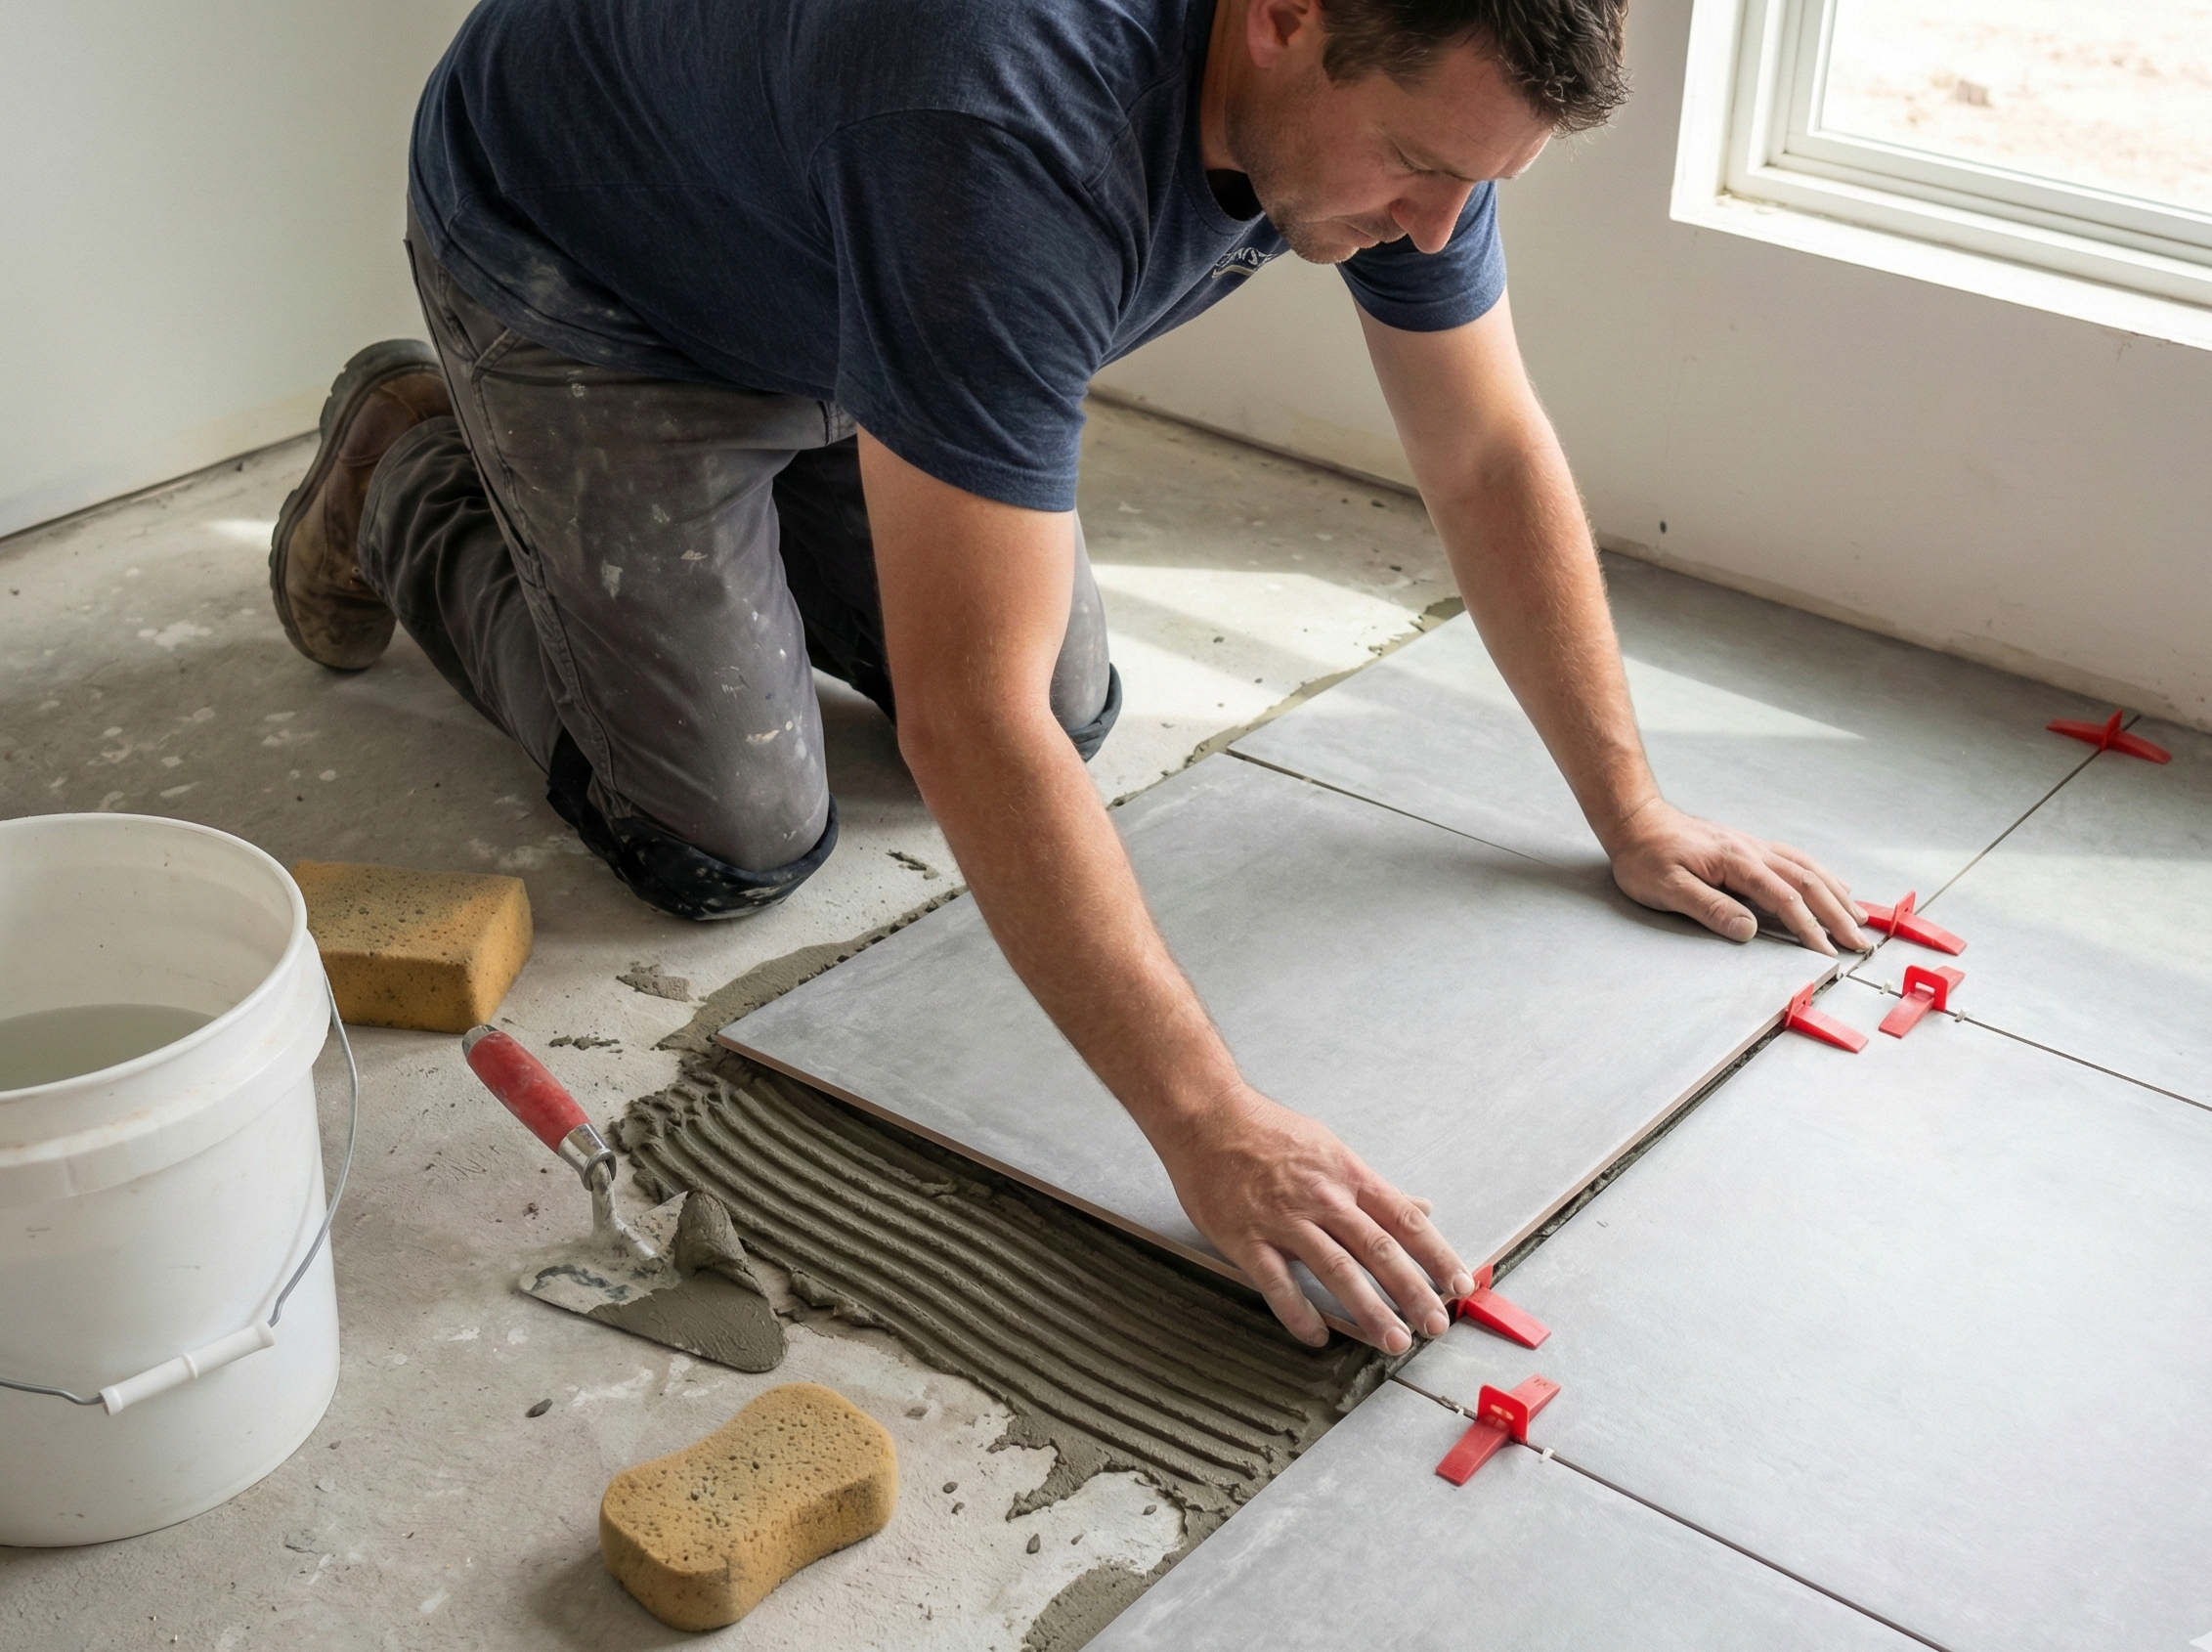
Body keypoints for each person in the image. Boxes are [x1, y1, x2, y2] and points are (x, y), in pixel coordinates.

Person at [269, 0, 1867, 1356]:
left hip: (853, 260)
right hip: (601, 271)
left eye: (1481, 183)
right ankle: (409, 464)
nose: (1439, 227)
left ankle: (781, 488)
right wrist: (1211, 1126)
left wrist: (1632, 807)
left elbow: (1484, 447)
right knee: (730, 838)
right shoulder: (999, 129)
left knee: (1067, 707)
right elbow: (968, 722)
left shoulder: (1415, 84)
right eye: (1418, 168)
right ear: (1284, 15)